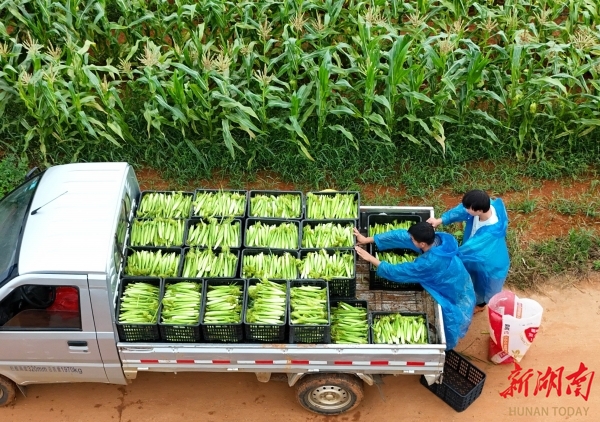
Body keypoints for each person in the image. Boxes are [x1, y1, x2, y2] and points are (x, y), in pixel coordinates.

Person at [354, 222, 475, 351]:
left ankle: (447, 346)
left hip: (452, 288)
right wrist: (367, 239)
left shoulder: (429, 263)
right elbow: (400, 236)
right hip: (458, 273)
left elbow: (398, 272)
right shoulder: (440, 239)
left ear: (422, 244)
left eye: (412, 239)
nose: (410, 240)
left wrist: (370, 258)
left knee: (451, 317)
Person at [427, 189, 509, 314]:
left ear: (479, 211)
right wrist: (440, 220)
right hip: (476, 256)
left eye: (468, 208)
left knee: (483, 285)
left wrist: (442, 255)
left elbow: (467, 250)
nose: (465, 210)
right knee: (471, 276)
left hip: (489, 263)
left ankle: (480, 305)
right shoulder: (484, 207)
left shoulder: (490, 233)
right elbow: (460, 211)